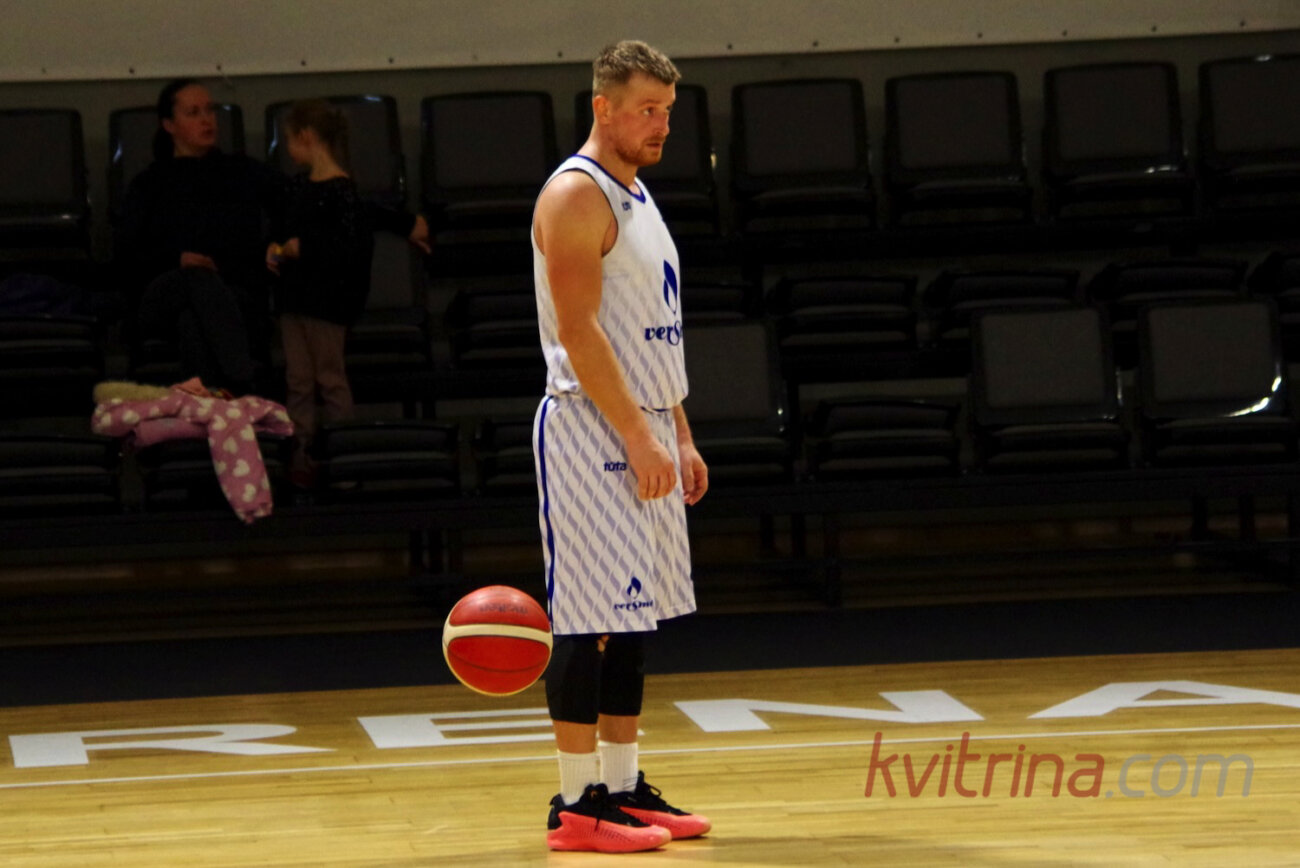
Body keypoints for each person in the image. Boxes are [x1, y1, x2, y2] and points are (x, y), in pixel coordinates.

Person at [531, 40, 711, 853]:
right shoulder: (576, 194)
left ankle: (623, 784)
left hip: (645, 424)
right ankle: (576, 806)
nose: (661, 125)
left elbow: (652, 331)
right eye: (646, 110)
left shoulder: (638, 193)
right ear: (603, 107)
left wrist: (678, 431)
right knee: (586, 620)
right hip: (588, 428)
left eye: (667, 111)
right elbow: (580, 333)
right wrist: (639, 434)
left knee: (633, 617)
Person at [264, 99, 427, 487]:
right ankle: (302, 454)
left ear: (306, 137)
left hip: (326, 303)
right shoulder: (297, 186)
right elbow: (283, 228)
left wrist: (303, 247)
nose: (288, 148)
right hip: (294, 299)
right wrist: (274, 247)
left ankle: (343, 453)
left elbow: (348, 249)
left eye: (290, 139)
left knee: (329, 378)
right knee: (298, 381)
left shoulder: (343, 193)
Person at [116, 79, 282, 395]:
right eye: (193, 113)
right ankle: (242, 385)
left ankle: (207, 407)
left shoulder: (241, 171)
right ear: (169, 125)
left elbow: (298, 203)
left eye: (209, 110)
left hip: (233, 295)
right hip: (164, 294)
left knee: (194, 321)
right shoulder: (149, 184)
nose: (206, 120)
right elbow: (126, 255)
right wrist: (176, 259)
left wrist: (278, 245)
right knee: (196, 279)